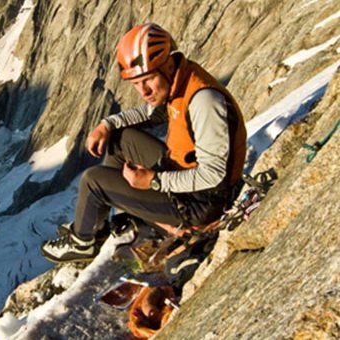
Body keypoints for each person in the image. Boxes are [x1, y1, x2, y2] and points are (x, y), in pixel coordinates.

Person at [41, 23, 247, 263]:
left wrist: (155, 181)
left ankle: (82, 242)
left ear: (167, 65)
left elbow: (214, 176)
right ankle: (102, 226)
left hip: (199, 205)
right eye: (136, 84)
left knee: (93, 180)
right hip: (183, 177)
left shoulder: (204, 101)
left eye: (148, 80)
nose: (144, 91)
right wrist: (107, 125)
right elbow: (147, 114)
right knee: (120, 138)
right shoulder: (180, 81)